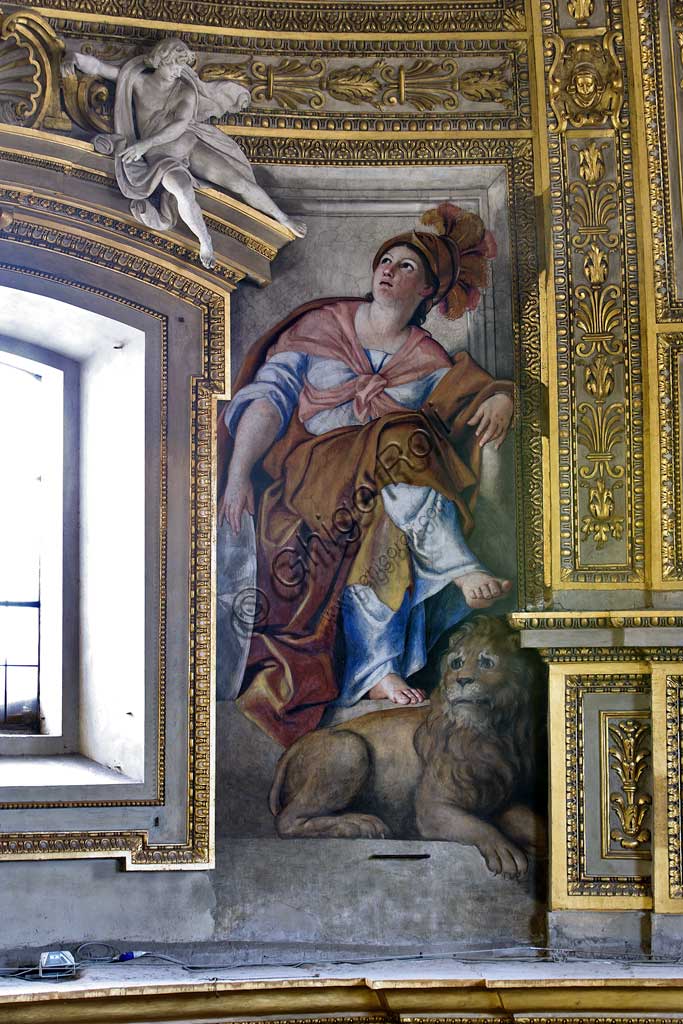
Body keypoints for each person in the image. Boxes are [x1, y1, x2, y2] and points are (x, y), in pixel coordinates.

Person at [219, 203, 514, 747]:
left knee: (387, 521)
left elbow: (465, 397)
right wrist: (238, 474)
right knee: (404, 439)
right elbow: (267, 399)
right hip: (309, 476)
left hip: (373, 493)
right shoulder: (321, 326)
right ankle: (457, 566)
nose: (389, 271)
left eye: (407, 267)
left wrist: (499, 397)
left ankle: (376, 670)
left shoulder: (426, 357)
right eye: (386, 260)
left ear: (427, 290)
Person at [67, 38, 306, 268]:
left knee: (238, 182)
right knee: (181, 190)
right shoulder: (139, 83)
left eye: (182, 65)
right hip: (163, 159)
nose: (178, 70)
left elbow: (180, 124)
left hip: (190, 146)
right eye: (174, 64)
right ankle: (205, 241)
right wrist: (73, 58)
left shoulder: (185, 91)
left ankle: (282, 217)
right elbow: (99, 67)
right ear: (159, 61)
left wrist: (144, 144)